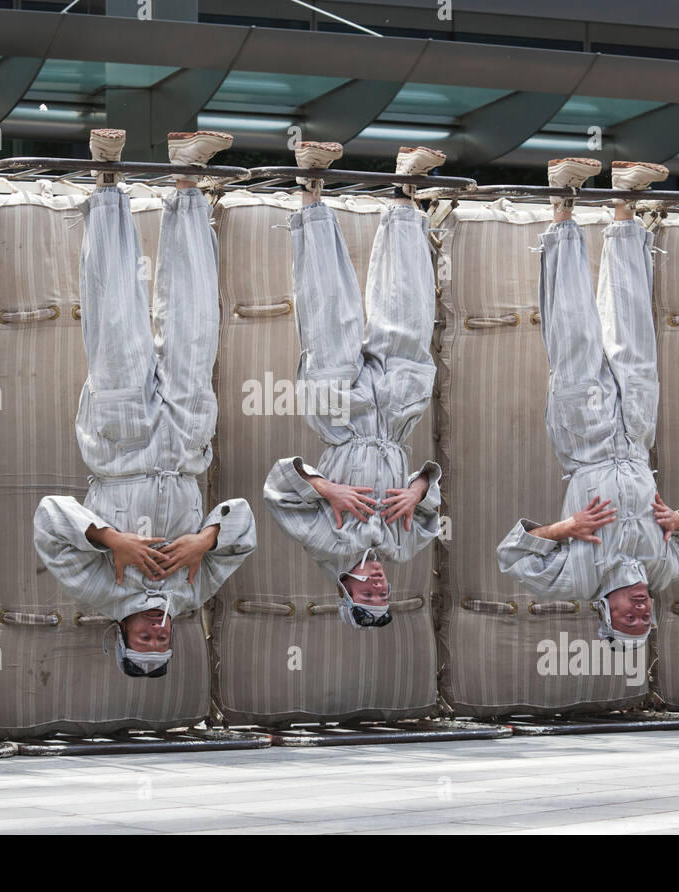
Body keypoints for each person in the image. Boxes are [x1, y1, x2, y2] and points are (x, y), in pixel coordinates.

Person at [34, 128, 257, 678]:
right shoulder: (189, 592)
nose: (156, 632)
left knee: (116, 320)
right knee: (197, 321)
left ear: (123, 636)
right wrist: (204, 541)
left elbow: (50, 519)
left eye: (144, 640)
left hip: (123, 445)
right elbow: (243, 527)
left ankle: (106, 178)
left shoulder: (97, 588)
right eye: (163, 642)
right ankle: (187, 179)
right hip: (184, 447)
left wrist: (111, 541)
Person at [497, 158, 679, 648]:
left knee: (573, 327)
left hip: (585, 440)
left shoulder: (575, 581)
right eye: (645, 620)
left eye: (628, 619)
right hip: (636, 437)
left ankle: (563, 199)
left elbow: (511, 555)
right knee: (634, 327)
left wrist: (565, 526)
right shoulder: (663, 568)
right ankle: (624, 202)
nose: (640, 610)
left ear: (605, 611)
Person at [263, 142, 445, 630]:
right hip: (397, 418)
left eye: (370, 594)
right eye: (385, 594)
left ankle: (310, 188)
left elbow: (279, 486)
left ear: (345, 589)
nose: (381, 586)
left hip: (339, 418)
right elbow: (430, 505)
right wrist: (419, 488)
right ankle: (407, 190)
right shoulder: (403, 547)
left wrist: (327, 490)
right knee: (408, 315)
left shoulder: (323, 541)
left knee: (330, 313)